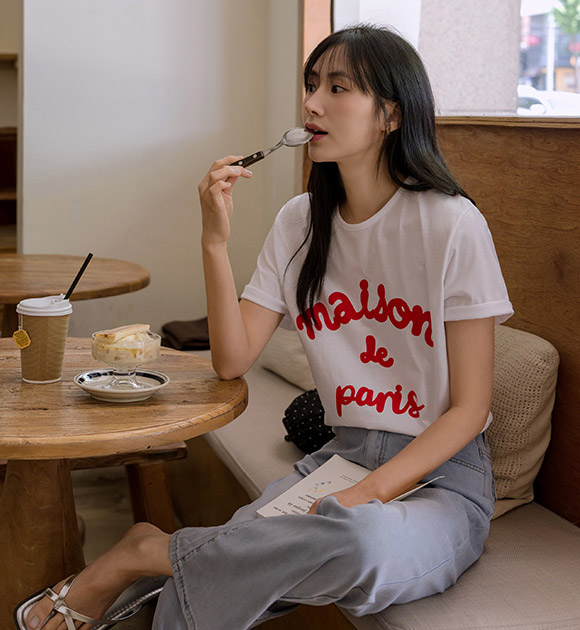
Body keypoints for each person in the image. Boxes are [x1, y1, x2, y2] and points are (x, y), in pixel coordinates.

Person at [17, 24, 512, 630]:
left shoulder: (452, 224)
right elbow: (232, 359)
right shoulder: (300, 221)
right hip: (343, 455)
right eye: (311, 85)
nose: (312, 104)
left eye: (338, 88)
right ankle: (160, 563)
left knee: (359, 543)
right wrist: (214, 240)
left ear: (391, 114)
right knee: (202, 593)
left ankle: (145, 551)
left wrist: (367, 495)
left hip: (441, 481)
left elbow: (470, 408)